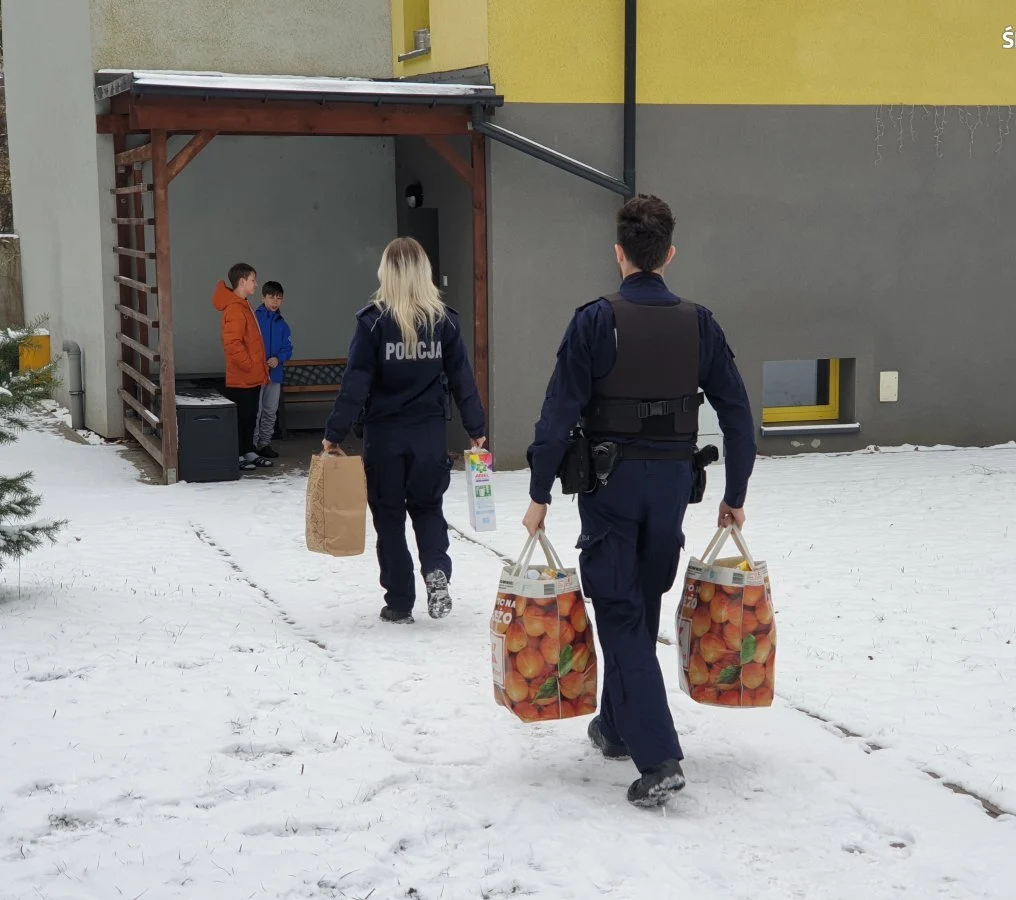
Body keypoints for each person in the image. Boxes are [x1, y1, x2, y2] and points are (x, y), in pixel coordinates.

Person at [522, 194, 756, 808]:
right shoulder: (700, 323)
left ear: (619, 253)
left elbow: (557, 415)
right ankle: (617, 725)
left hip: (612, 486)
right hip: (673, 486)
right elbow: (737, 413)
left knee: (621, 610)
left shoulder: (595, 322)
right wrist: (735, 493)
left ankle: (658, 756)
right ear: (669, 255)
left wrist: (539, 491)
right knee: (640, 595)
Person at [323, 237, 487, 624]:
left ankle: (399, 601)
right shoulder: (444, 321)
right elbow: (462, 379)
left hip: (385, 438)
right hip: (429, 438)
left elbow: (355, 383)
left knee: (390, 519)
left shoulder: (373, 322)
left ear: (387, 273)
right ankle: (436, 571)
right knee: (429, 509)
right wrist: (476, 428)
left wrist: (334, 432)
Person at [212, 263, 272, 471]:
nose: (256, 284)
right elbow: (232, 343)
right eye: (253, 280)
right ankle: (237, 454)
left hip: (251, 375)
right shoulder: (236, 308)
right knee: (242, 417)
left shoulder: (243, 304)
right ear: (242, 281)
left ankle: (248, 450)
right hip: (242, 376)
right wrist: (249, 365)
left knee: (250, 415)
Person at [253, 281, 294, 458]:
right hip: (256, 373)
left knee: (270, 410)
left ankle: (265, 443)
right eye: (271, 297)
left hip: (275, 374)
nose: (275, 302)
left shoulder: (283, 325)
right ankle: (251, 444)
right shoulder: (254, 318)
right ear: (263, 298)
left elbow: (288, 348)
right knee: (256, 410)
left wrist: (278, 359)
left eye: (279, 298)